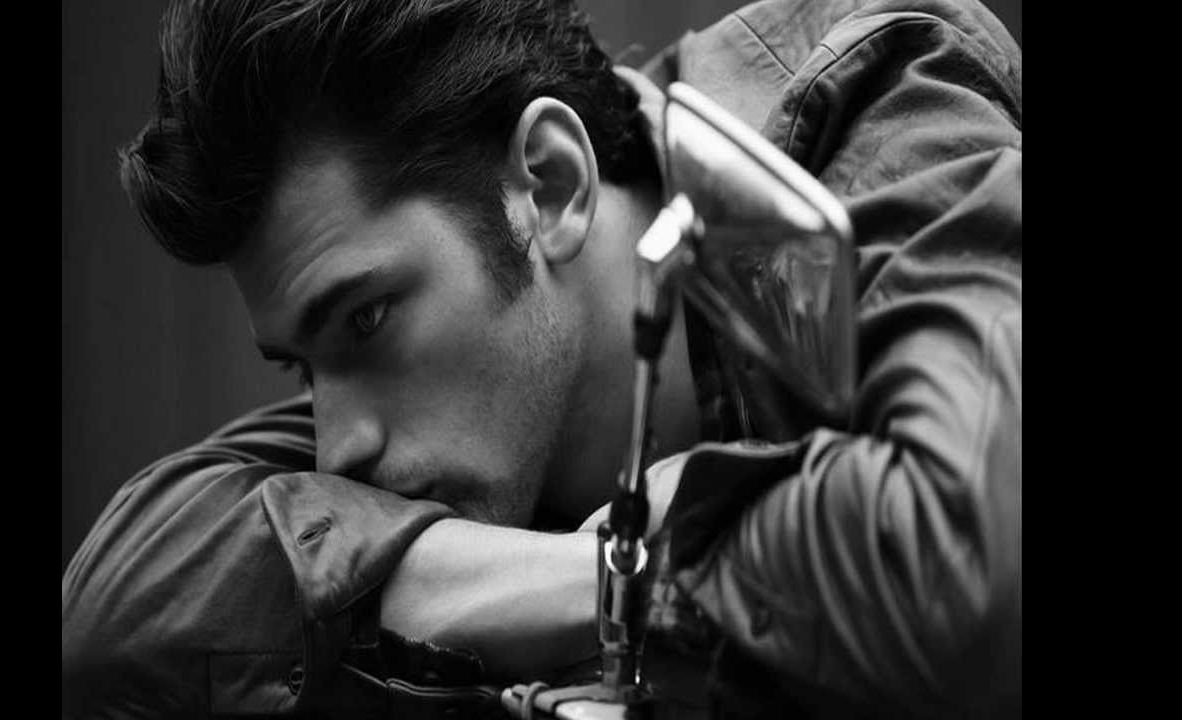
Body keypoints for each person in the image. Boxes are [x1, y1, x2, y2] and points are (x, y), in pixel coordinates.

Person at [61, 0, 1021, 717]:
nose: (337, 450)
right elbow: (114, 613)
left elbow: (974, 559)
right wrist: (611, 577)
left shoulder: (871, 112)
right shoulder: (448, 428)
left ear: (550, 187)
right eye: (302, 370)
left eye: (365, 320)